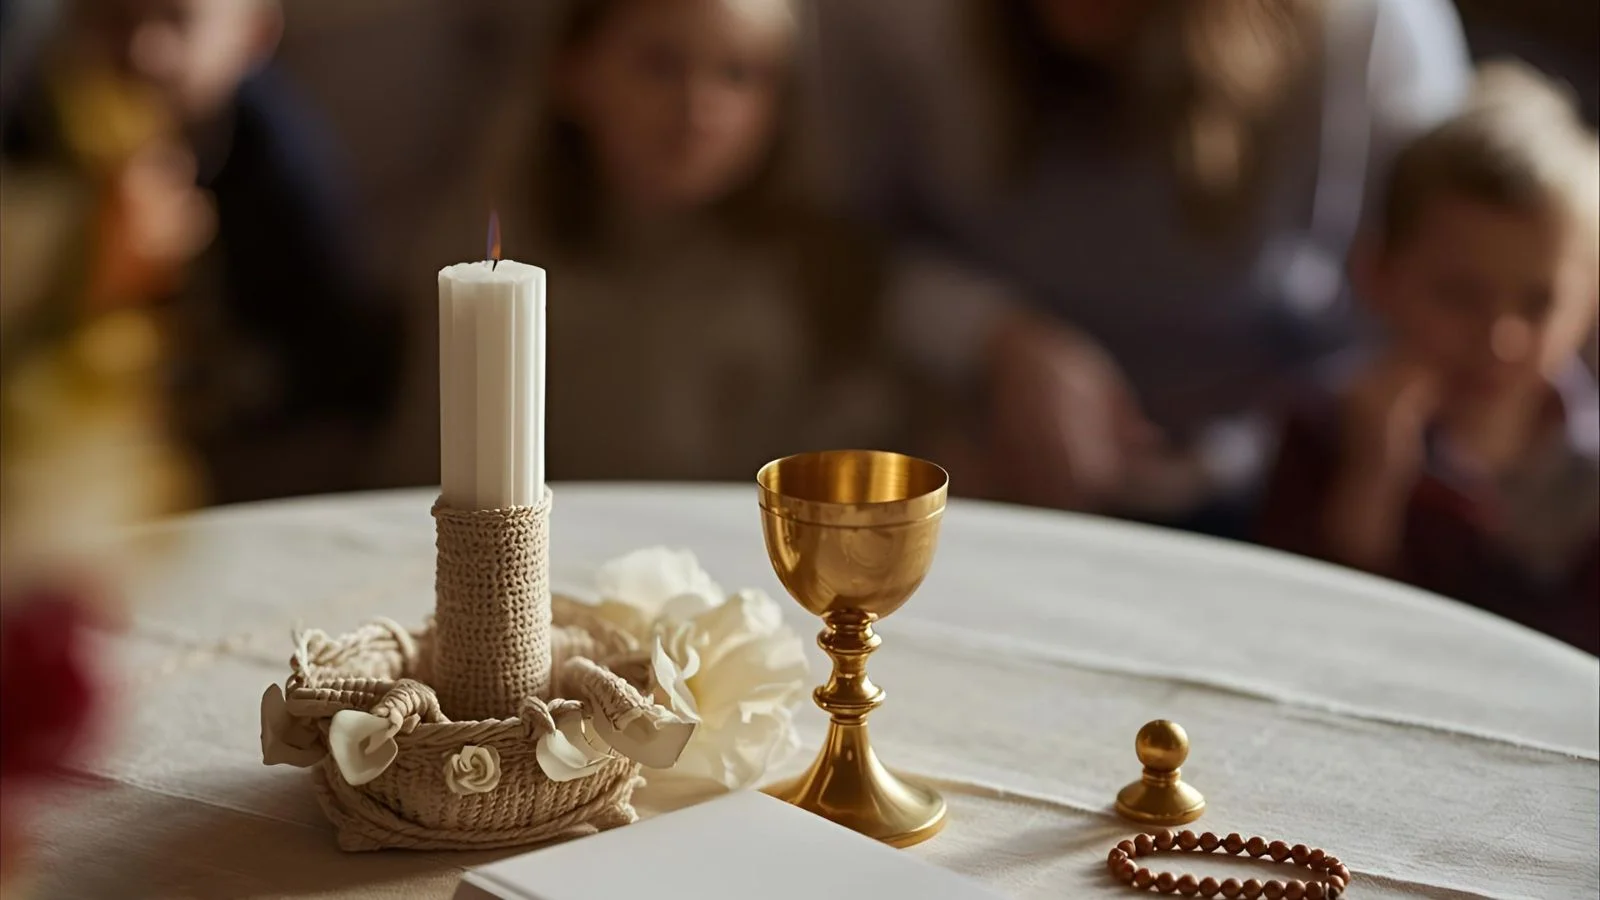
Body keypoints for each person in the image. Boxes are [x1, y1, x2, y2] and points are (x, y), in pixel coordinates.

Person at [810, 0, 1471, 535]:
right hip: (977, 457)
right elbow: (829, 243)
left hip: (1291, 475)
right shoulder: (891, 22)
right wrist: (990, 338)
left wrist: (1293, 443)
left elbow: (1441, 298)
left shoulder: (1373, 32)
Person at [398, 0, 904, 485]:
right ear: (573, 67)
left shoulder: (822, 282)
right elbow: (426, 465)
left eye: (739, 74)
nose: (697, 108)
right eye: (660, 65)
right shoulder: (485, 256)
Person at [1260, 63, 1599, 654]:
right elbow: (1296, 637)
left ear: (1591, 299)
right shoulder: (1322, 437)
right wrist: (1370, 486)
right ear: (1380, 275)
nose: (1501, 338)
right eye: (1460, 295)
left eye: (1538, 302)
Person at [4, 0, 403, 502]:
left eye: (176, 20)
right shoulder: (36, 126)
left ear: (254, 36)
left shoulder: (279, 164)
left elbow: (333, 355)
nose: (142, 51)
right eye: (113, 19)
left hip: (244, 451)